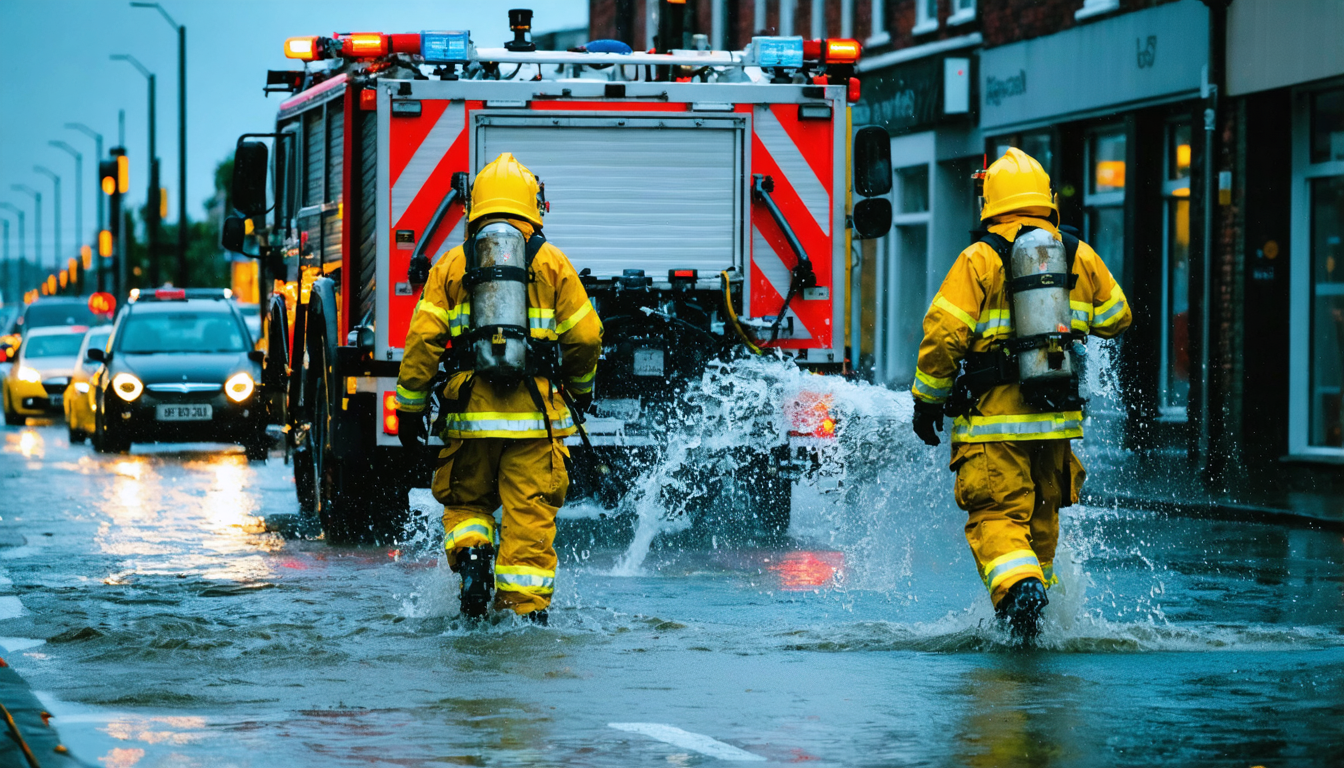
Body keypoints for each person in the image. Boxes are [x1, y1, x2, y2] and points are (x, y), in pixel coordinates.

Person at [910, 148, 1132, 640]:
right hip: (1055, 423)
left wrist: (927, 400)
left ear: (990, 203)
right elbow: (1118, 317)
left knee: (997, 515)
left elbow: (944, 334)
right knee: (1040, 525)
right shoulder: (1076, 253)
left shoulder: (980, 258)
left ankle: (1020, 593)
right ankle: (1033, 625)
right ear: (1046, 199)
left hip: (995, 426)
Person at [395, 153, 602, 625]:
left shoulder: (452, 264)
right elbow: (587, 336)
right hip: (535, 423)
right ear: (534, 207)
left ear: (475, 207)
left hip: (469, 420)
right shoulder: (551, 263)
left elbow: (422, 341)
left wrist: (410, 407)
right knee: (528, 521)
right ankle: (523, 620)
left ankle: (472, 560)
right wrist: (580, 389)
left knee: (467, 503)